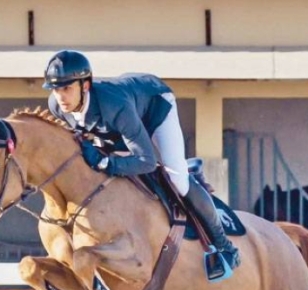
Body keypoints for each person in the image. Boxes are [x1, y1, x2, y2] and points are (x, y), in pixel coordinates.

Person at [42, 50, 240, 277]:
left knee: (177, 179)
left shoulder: (114, 105)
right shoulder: (57, 107)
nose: (60, 96)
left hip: (155, 107)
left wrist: (107, 162)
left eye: (66, 88)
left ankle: (224, 245)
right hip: (120, 121)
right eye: (55, 89)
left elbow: (146, 161)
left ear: (85, 86)